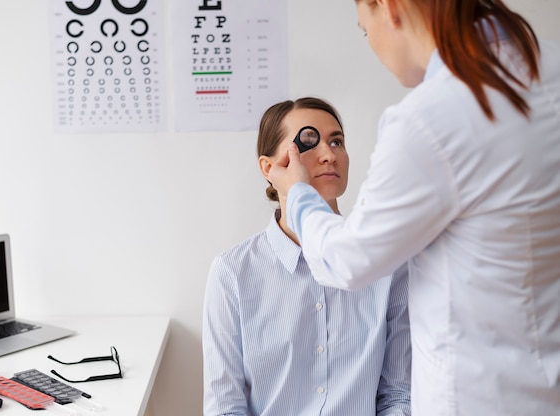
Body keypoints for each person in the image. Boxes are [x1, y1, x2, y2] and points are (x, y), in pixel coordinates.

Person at [267, 1, 560, 415]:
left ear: (389, 8)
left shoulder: (431, 118)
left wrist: (298, 194)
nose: (329, 156)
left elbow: (347, 260)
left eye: (365, 32)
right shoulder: (548, 66)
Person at [202, 97, 411, 416]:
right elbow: (225, 406)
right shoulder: (233, 272)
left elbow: (399, 393)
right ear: (269, 168)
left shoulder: (386, 262)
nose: (329, 155)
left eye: (337, 141)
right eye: (308, 142)